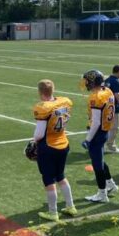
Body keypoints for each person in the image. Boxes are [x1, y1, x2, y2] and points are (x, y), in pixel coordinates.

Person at [30, 80, 76, 221]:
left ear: (40, 92)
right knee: (60, 176)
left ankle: (53, 212)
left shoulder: (43, 108)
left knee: (48, 179)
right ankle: (70, 206)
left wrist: (33, 141)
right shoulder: (63, 102)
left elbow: (39, 134)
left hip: (49, 146)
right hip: (63, 143)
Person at [80, 70, 119, 203]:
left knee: (97, 164)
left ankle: (102, 194)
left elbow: (96, 122)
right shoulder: (107, 90)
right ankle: (111, 184)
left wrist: (87, 139)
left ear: (92, 82)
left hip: (97, 132)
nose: (85, 83)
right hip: (104, 130)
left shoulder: (96, 97)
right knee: (100, 160)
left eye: (87, 81)